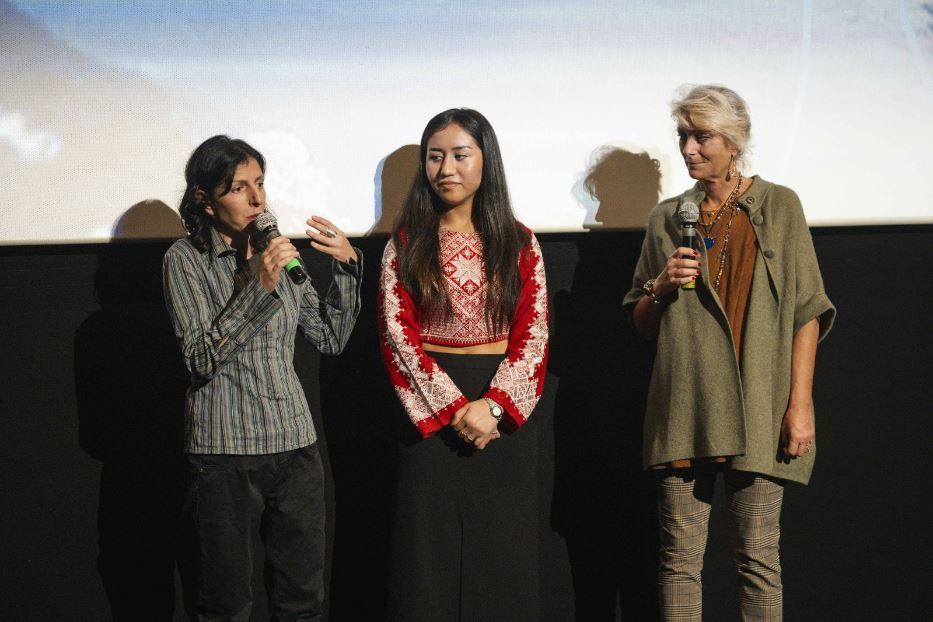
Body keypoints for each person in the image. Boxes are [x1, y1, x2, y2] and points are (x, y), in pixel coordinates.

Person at [623, 85, 835, 620]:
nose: (689, 149)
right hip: (685, 406)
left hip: (757, 405)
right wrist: (660, 285)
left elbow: (806, 311)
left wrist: (800, 405)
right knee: (678, 562)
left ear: (734, 141)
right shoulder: (668, 218)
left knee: (758, 558)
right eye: (683, 137)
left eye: (702, 136)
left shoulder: (778, 206)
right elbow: (642, 322)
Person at [163, 135, 362, 621]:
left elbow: (330, 338)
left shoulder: (276, 252)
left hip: (294, 447)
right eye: (238, 188)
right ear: (204, 201)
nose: (257, 200)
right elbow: (199, 358)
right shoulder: (184, 260)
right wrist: (257, 284)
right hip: (224, 453)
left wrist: (347, 268)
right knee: (225, 605)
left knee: (302, 601)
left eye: (260, 184)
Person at [378, 108, 549, 622]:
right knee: (425, 562)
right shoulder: (405, 243)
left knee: (503, 559)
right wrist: (455, 409)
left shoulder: (519, 242)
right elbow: (397, 335)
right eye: (435, 157)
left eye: (459, 155)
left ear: (485, 161)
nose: (445, 168)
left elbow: (534, 333)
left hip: (500, 416)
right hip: (431, 416)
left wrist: (493, 408)